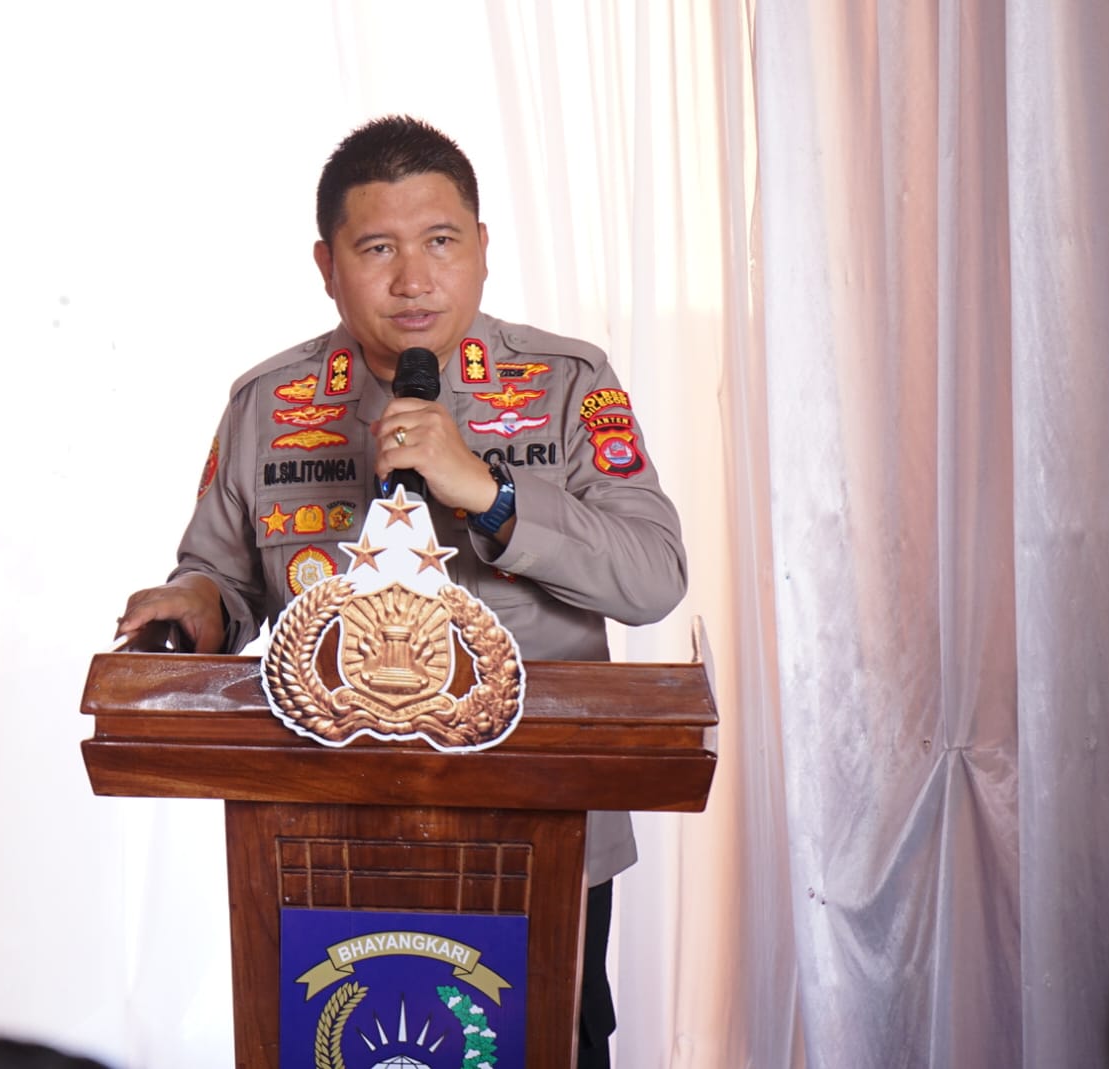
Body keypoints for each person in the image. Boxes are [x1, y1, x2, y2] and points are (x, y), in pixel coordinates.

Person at [115, 115, 687, 1068]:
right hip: (324, 830)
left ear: (484, 249)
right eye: (377, 248)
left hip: (539, 823)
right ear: (327, 264)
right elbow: (218, 577)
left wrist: (492, 492)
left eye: (441, 241)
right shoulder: (267, 402)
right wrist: (200, 604)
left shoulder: (565, 383)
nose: (414, 279)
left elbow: (653, 574)